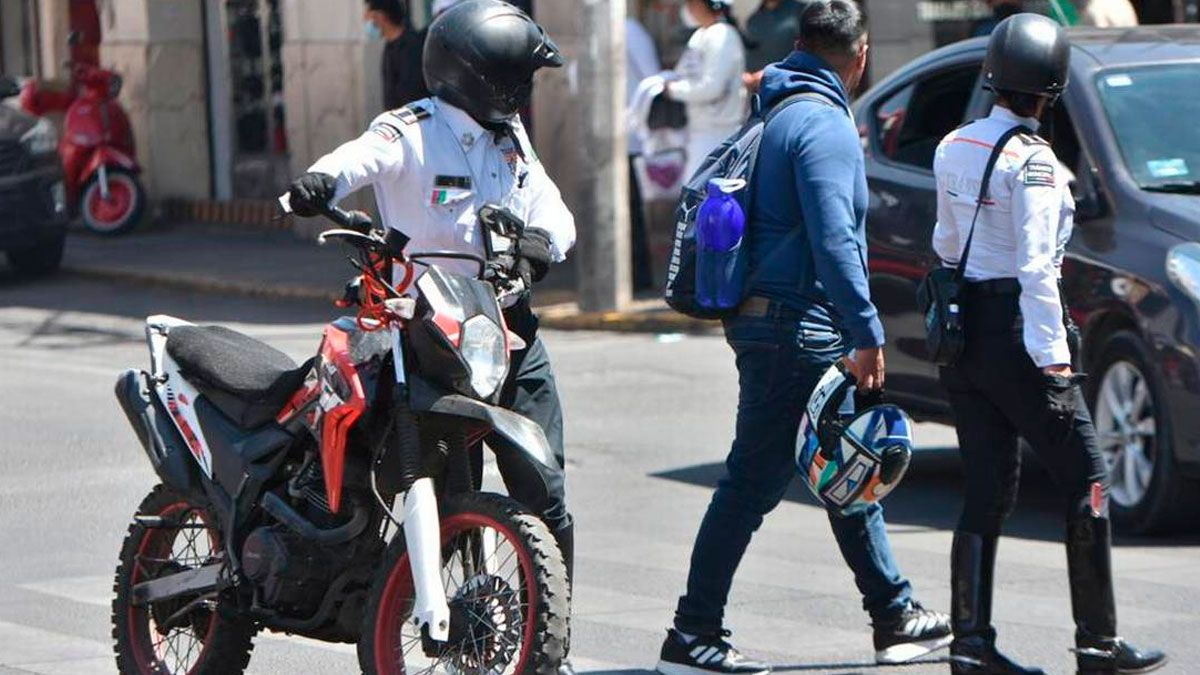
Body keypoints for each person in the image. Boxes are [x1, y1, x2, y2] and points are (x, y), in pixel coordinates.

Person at [655, 4, 951, 674]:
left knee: (844, 459)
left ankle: (893, 612)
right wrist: (865, 328)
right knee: (757, 479)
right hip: (797, 323)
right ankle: (692, 631)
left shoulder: (778, 111)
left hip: (768, 318)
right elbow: (835, 236)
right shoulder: (822, 122)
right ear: (862, 53)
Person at [286, 2, 578, 668]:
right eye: (514, 77)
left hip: (506, 331)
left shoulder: (511, 138)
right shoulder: (412, 131)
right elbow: (360, 159)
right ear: (479, 76)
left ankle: (552, 644)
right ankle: (455, 634)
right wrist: (323, 179)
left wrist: (536, 245)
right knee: (449, 489)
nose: (523, 91)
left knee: (546, 493)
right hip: (431, 333)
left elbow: (551, 208)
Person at [931, 13, 1167, 675]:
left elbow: (946, 246)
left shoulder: (953, 147)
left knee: (985, 491)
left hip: (964, 337)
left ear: (994, 75)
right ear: (1052, 87)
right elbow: (1037, 269)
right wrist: (1054, 360)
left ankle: (969, 644)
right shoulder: (1036, 164)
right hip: (1018, 337)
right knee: (1090, 481)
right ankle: (1097, 640)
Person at [666, 0, 749, 180]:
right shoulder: (699, 35)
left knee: (704, 196)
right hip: (698, 131)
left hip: (718, 132)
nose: (688, 8)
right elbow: (683, 73)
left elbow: (711, 88)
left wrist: (673, 90)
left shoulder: (723, 35)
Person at [627, 13, 662, 292]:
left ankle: (640, 278)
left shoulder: (631, 31)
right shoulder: (594, 30)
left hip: (630, 136)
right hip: (607, 140)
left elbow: (652, 79)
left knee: (633, 213)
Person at [364, 0, 428, 110]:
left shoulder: (411, 47)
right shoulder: (390, 48)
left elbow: (411, 94)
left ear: (380, 17)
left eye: (369, 17)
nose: (366, 22)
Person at [742, 0, 812, 92]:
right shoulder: (754, 18)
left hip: (789, 92)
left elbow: (810, 55)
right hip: (758, 94)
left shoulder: (802, 12)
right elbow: (750, 51)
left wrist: (771, 73)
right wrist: (745, 74)